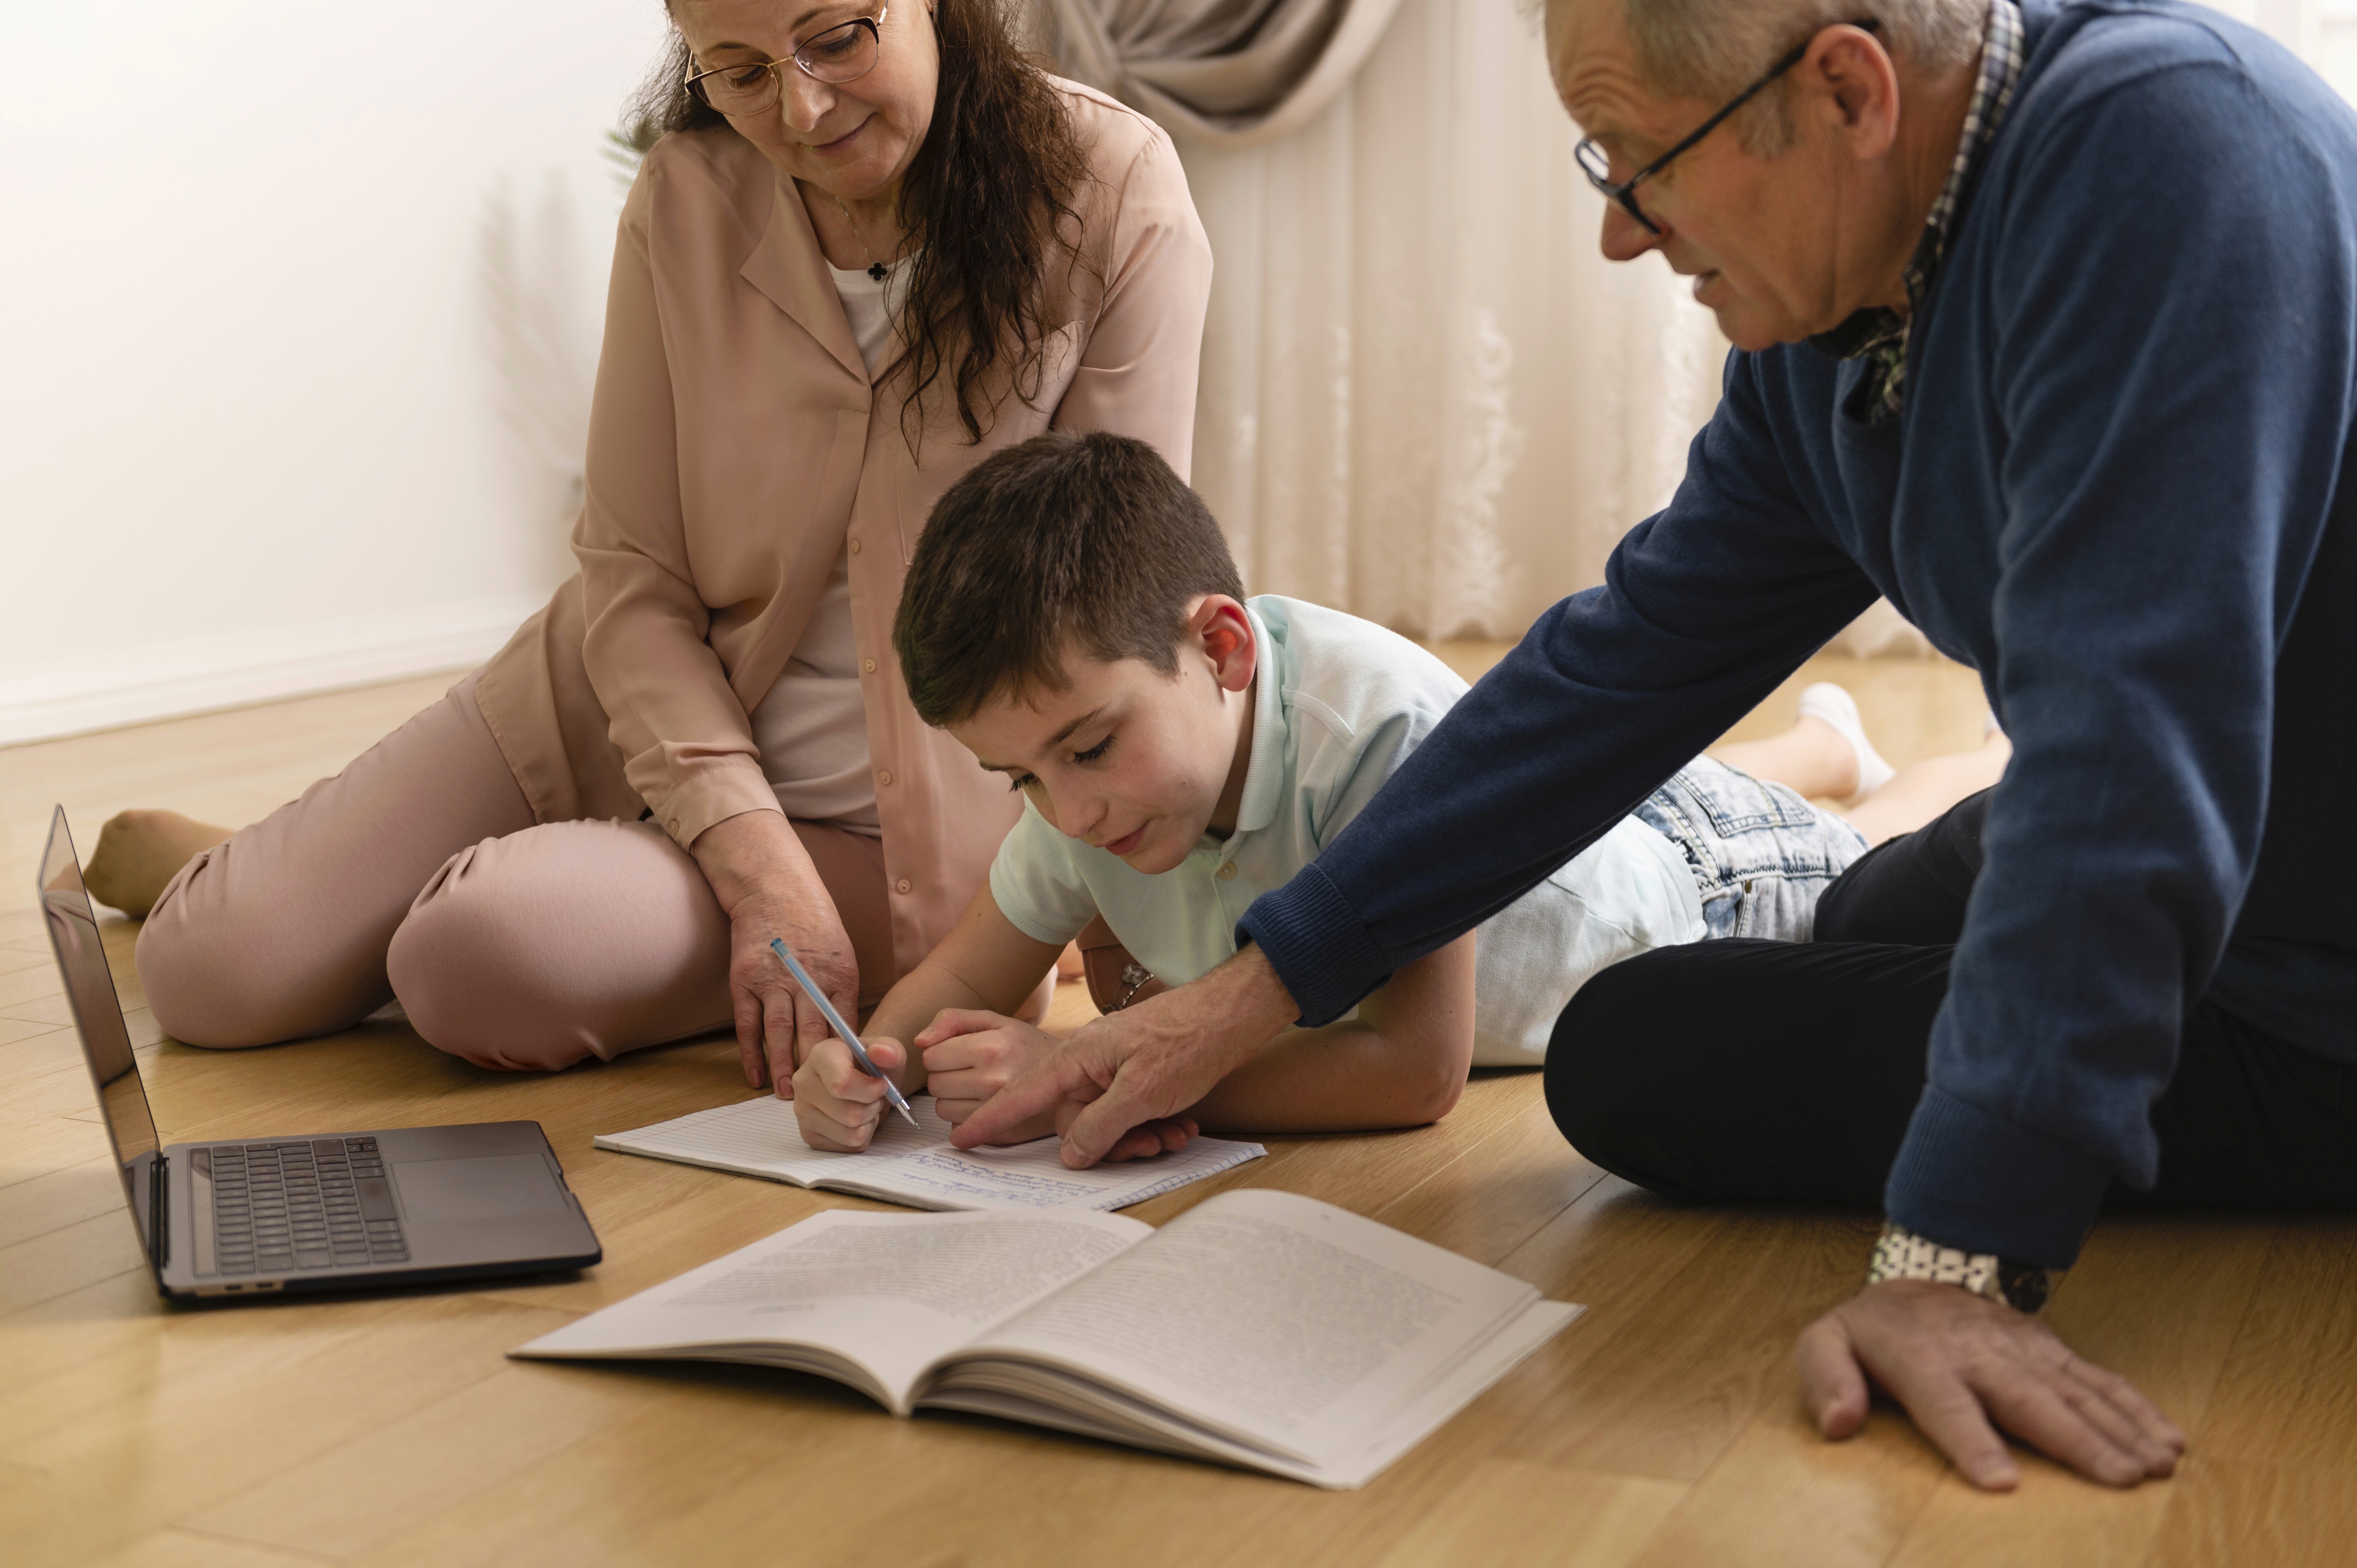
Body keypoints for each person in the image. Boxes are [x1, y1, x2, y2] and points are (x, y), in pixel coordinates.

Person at [955, 0, 2357, 1494]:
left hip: (2312, 961)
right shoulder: (1832, 319)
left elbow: (2130, 765)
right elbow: (1612, 678)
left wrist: (1955, 1256)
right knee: (1863, 915)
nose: (1623, 235)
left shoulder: (2169, 155)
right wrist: (1254, 988)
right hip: (2236, 814)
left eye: (1641, 164)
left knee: (1636, 1055)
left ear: (1847, 91)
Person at [102, 0, 1211, 1084]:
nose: (804, 107)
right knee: (208, 972)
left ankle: (391, 900)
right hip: (620, 698)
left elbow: (1111, 598)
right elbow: (631, 576)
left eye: (837, 38)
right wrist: (757, 869)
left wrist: (1107, 933)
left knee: (469, 959)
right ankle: (253, 871)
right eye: (739, 70)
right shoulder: (686, 193)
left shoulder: (1113, 189)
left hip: (897, 843)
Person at [790, 431, 2006, 1152]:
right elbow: (960, 978)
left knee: (1867, 854)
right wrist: (869, 1063)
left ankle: (1943, 765)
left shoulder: (1381, 734)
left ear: (1222, 653)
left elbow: (1413, 1074)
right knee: (1689, 788)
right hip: (1616, 824)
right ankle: (1826, 743)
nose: (1065, 814)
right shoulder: (1092, 785)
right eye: (1020, 777)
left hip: (1693, 892)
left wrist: (1086, 1073)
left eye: (1087, 752)